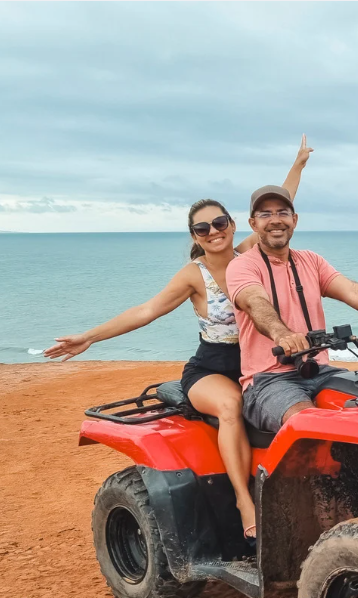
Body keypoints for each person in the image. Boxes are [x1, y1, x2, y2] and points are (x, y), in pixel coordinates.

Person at [43, 136, 314, 541]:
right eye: (202, 228)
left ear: (234, 225)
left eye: (219, 223)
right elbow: (147, 311)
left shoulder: (248, 254)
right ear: (195, 236)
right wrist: (89, 337)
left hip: (259, 362)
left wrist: (299, 165)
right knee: (231, 406)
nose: (213, 232)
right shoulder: (194, 275)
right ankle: (244, 501)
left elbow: (278, 208)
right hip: (212, 367)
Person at [227, 185, 358, 432]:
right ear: (253, 223)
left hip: (320, 371)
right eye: (265, 214)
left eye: (283, 213)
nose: (276, 220)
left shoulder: (311, 261)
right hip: (269, 380)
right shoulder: (242, 266)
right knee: (310, 425)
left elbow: (354, 292)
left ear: (294, 220)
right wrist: (282, 334)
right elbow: (255, 302)